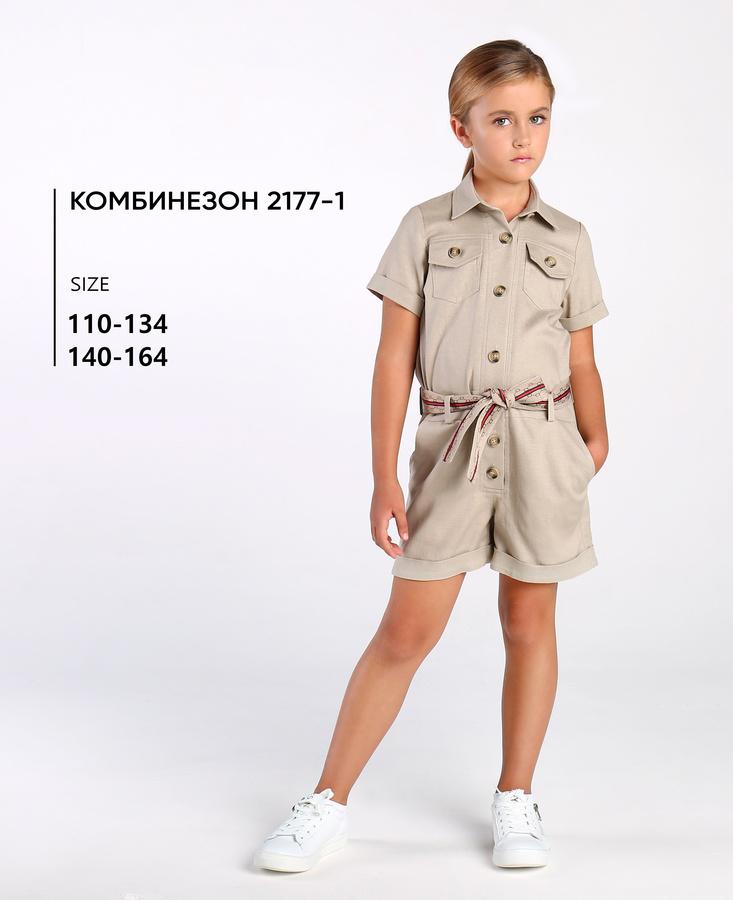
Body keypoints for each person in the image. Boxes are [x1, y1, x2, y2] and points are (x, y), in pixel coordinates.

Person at [253, 37, 610, 874]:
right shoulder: (425, 228)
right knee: (406, 631)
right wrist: (384, 474)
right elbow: (393, 361)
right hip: (451, 450)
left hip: (544, 449)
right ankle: (327, 802)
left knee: (530, 622)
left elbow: (584, 358)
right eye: (502, 120)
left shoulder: (570, 237)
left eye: (538, 118)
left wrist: (593, 443)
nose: (523, 137)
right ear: (462, 128)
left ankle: (516, 796)